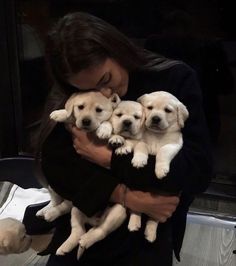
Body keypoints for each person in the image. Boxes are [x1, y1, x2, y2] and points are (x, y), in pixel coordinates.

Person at [36, 12, 212, 266]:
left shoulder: (173, 78)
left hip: (150, 220)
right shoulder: (72, 94)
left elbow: (197, 172)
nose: (104, 93)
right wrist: (126, 196)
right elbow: (56, 167)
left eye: (106, 79)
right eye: (87, 90)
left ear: (117, 50)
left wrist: (109, 159)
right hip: (88, 210)